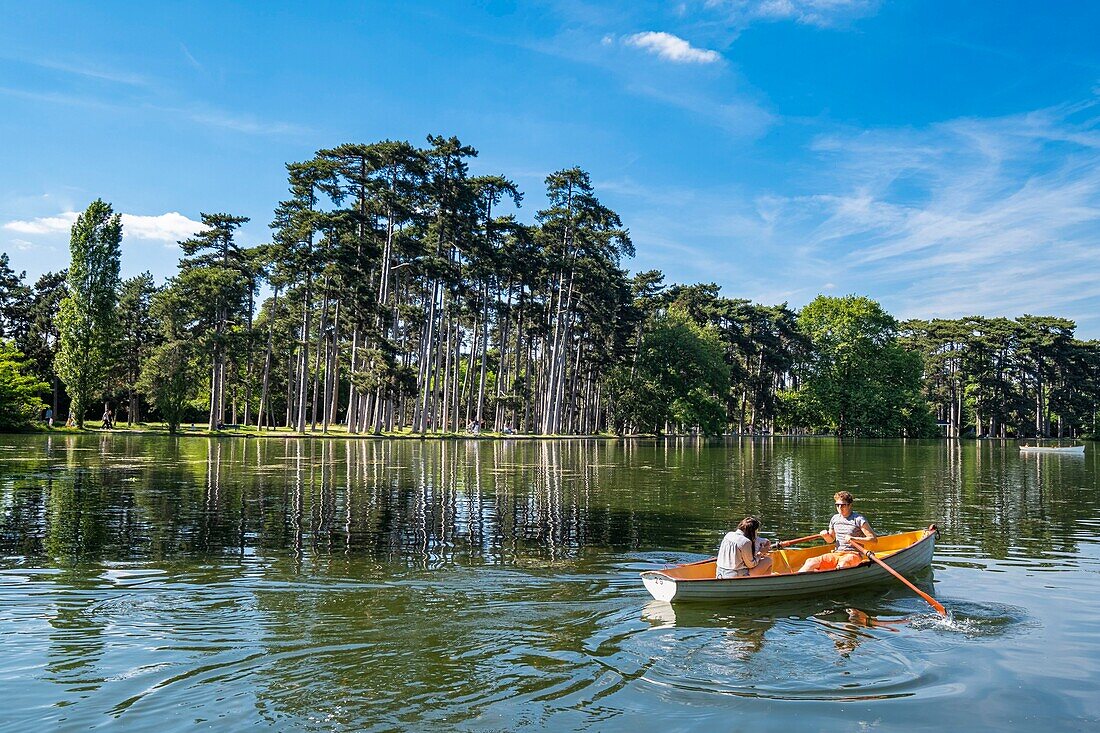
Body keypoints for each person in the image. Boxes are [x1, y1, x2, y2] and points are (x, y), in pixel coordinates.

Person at [798, 491, 876, 572]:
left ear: (849, 505)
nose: (839, 508)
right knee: (810, 562)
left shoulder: (858, 519)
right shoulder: (835, 519)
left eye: (843, 505)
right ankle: (796, 580)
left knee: (843, 564)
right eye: (837, 505)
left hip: (853, 554)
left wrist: (853, 539)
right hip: (836, 553)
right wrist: (826, 536)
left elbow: (873, 540)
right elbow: (830, 540)